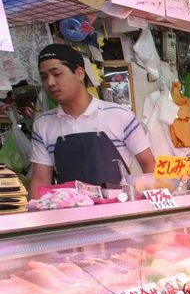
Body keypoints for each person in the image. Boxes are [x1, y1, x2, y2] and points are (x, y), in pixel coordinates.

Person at [29, 44, 154, 199]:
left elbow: (149, 164)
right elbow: (41, 180)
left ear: (80, 73)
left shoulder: (120, 115)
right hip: (71, 215)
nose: (50, 82)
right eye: (44, 77)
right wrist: (34, 215)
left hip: (119, 214)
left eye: (57, 74)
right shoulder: (43, 124)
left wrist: (150, 209)